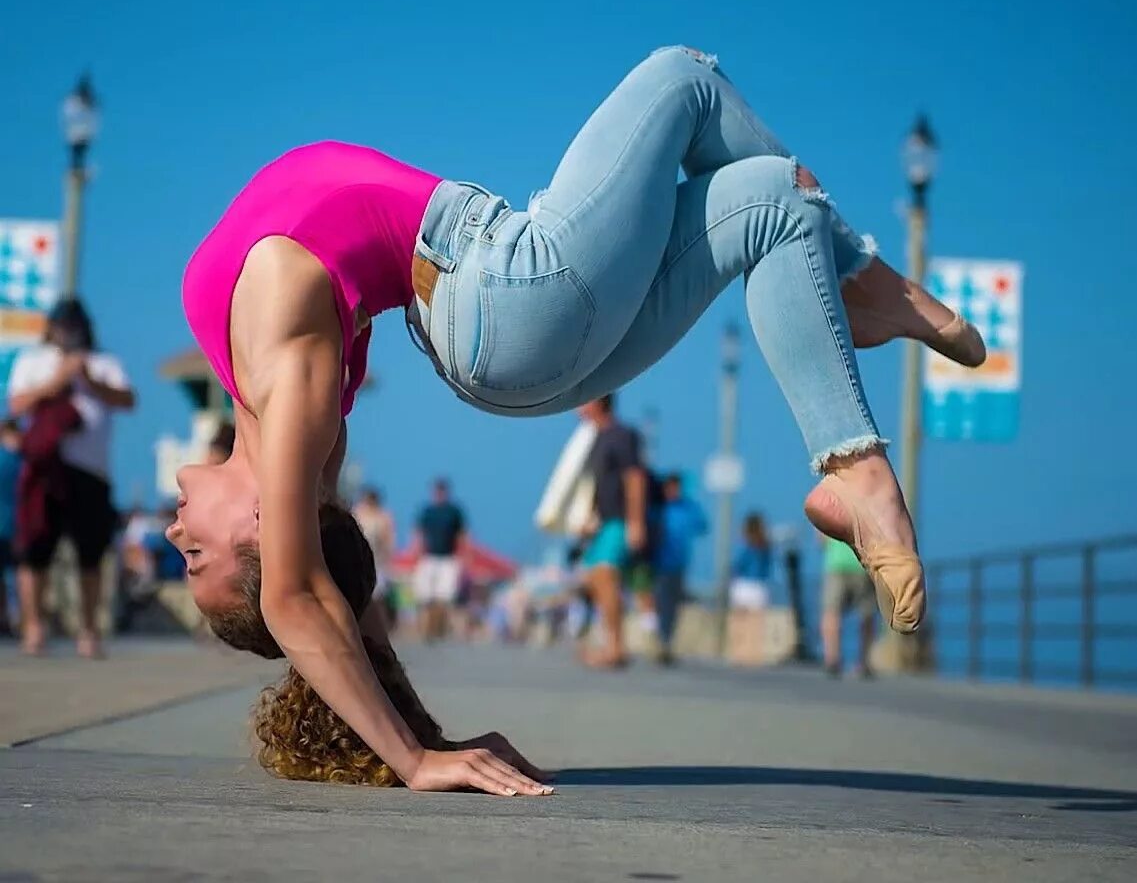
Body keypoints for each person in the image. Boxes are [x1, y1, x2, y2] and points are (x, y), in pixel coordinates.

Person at [170, 44, 983, 794]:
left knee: (775, 205)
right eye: (197, 556)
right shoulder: (286, 386)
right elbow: (300, 594)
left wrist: (416, 725)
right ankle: (866, 287)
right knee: (684, 77)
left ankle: (853, 468)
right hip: (505, 291)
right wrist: (415, 759)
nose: (173, 536)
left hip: (516, 335)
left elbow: (343, 602)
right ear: (259, 529)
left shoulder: (294, 429)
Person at [8, 299, 134, 658]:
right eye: (63, 324)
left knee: (90, 554)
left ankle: (89, 630)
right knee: (34, 552)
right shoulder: (32, 361)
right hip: (43, 470)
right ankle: (34, 627)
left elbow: (127, 400)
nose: (68, 330)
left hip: (91, 471)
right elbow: (16, 405)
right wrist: (57, 381)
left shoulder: (104, 362)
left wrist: (89, 380)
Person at [575, 395, 649, 669]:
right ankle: (609, 643)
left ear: (598, 402)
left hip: (621, 519)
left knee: (605, 576)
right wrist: (590, 516)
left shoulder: (622, 435)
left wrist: (636, 521)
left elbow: (635, 477)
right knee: (594, 580)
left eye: (582, 401)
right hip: (603, 522)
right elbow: (597, 484)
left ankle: (616, 649)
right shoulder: (594, 438)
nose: (576, 408)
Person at [652, 472, 708, 665]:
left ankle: (666, 642)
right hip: (658, 563)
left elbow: (702, 526)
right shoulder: (658, 507)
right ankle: (660, 641)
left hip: (679, 563)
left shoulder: (688, 508)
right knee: (660, 603)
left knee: (673, 605)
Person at [413, 479, 465, 642]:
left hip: (448, 557)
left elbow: (462, 535)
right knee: (426, 596)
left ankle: (438, 629)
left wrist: (464, 555)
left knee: (444, 596)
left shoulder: (454, 512)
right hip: (429, 557)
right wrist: (417, 552)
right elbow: (419, 533)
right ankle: (426, 629)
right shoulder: (428, 511)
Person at [821, 535, 878, 678]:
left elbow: (821, 536)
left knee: (832, 612)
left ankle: (832, 659)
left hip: (837, 562)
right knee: (867, 614)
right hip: (864, 562)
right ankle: (864, 661)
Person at [729, 512, 773, 661]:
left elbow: (737, 565)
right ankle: (753, 654)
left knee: (739, 623)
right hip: (758, 586)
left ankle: (738, 653)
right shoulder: (765, 545)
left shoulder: (744, 545)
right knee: (756, 625)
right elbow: (767, 567)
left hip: (742, 586)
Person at [353, 486, 397, 625]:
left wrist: (388, 557)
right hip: (360, 561)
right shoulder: (358, 513)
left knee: (378, 597)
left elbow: (389, 540)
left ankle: (381, 623)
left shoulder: (383, 517)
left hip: (378, 562)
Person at [0, 419, 22, 636]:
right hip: (15, 528)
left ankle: (6, 618)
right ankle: (14, 619)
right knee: (14, 577)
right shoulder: (21, 461)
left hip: (10, 527)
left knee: (10, 577)